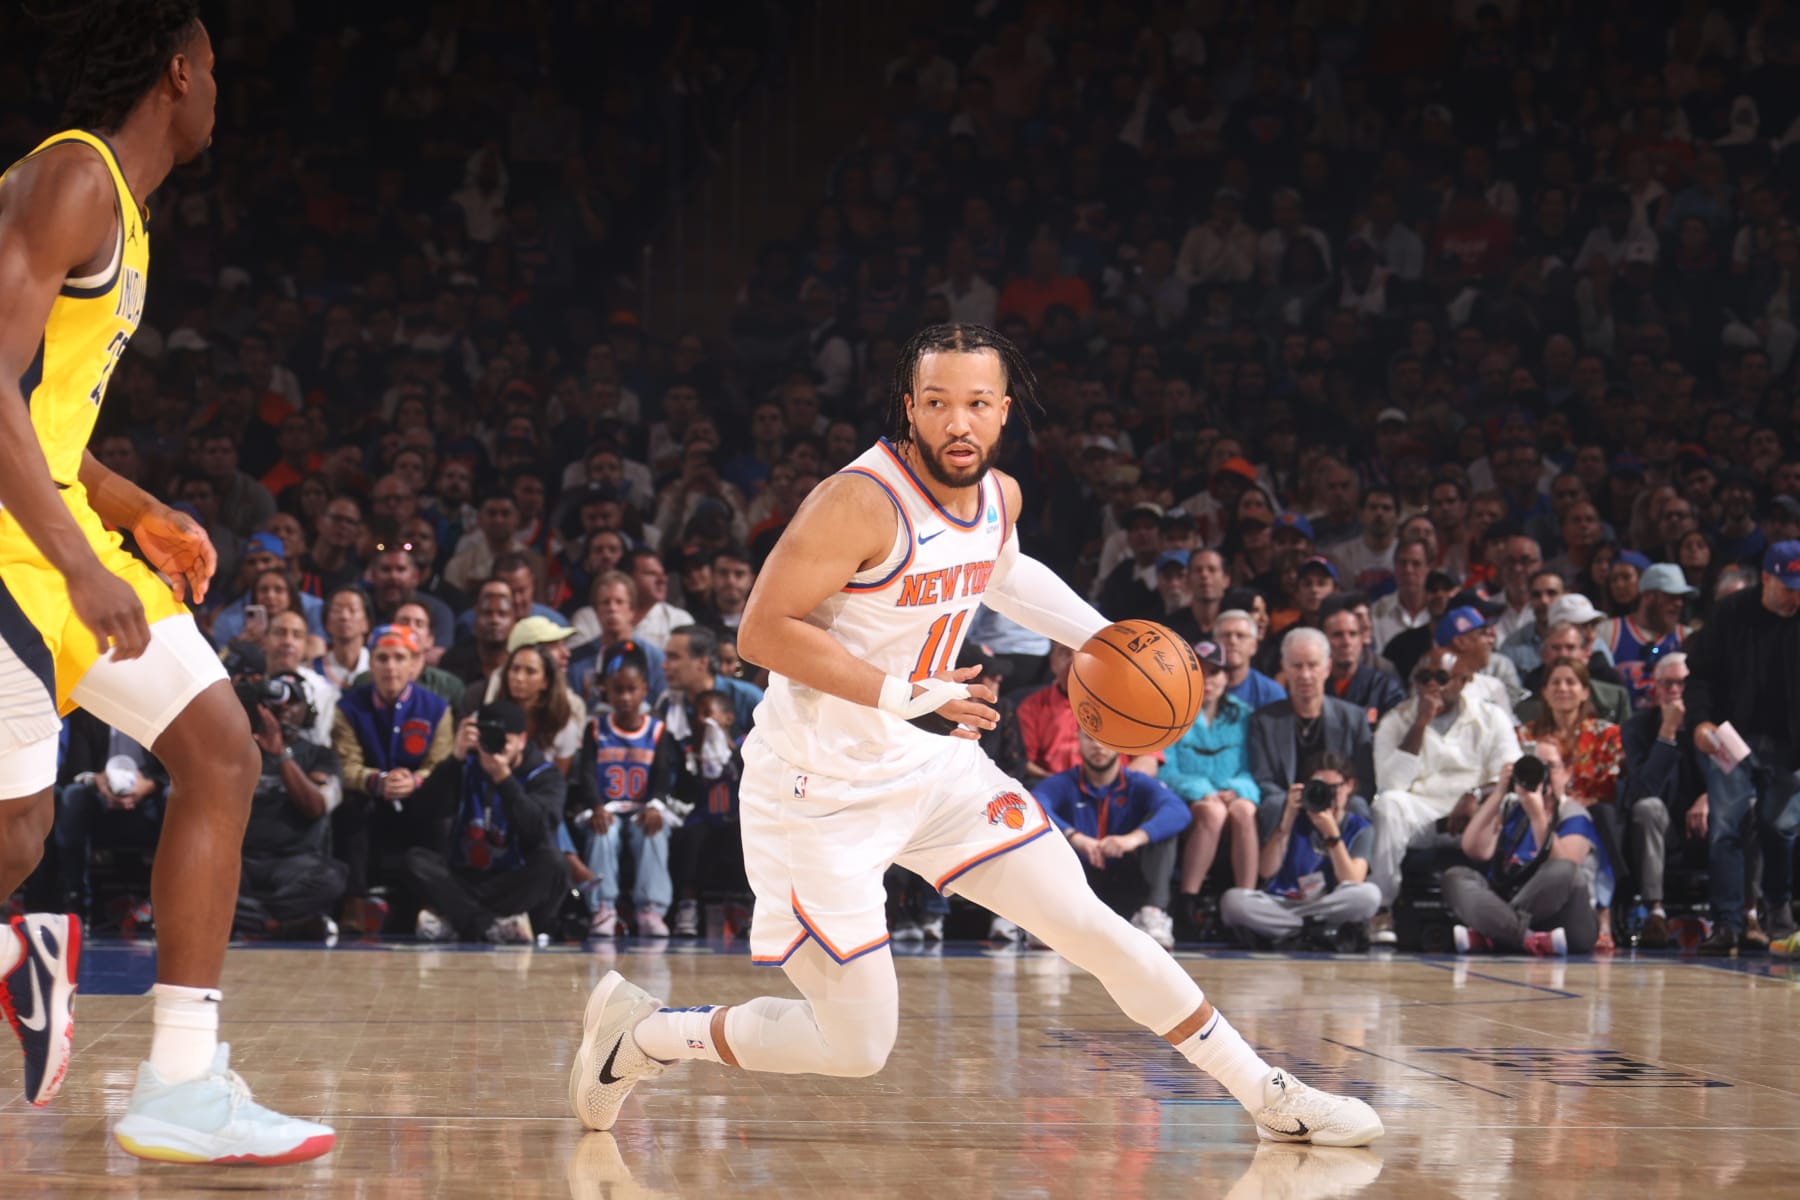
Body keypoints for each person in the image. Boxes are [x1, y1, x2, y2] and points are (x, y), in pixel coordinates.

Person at [567, 325, 1381, 1146]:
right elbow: (761, 632)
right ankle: (643, 1037)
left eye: (978, 404)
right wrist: (900, 694)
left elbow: (1001, 568)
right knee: (856, 1046)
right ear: (911, 410)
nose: (960, 423)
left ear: (1003, 412)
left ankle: (1267, 1095)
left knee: (1092, 926)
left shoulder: (1001, 498)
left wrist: (1108, 640)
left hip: (932, 767)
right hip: (818, 794)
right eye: (939, 403)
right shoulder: (858, 502)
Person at [0, 4, 332, 1162]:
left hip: (55, 534)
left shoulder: (124, 216)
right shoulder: (72, 176)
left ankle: (181, 1087)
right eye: (214, 72)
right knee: (15, 840)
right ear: (178, 72)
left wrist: (133, 511)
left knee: (223, 752)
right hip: (12, 554)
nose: (219, 94)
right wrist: (87, 557)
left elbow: (40, 415)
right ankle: (16, 949)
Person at [1688, 542, 1800, 955]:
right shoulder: (1731, 614)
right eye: (1789, 587)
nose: (1796, 596)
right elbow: (1699, 675)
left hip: (1791, 743)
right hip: (1733, 738)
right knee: (1726, 829)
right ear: (1767, 578)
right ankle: (1727, 924)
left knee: (1780, 827)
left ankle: (1778, 915)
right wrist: (1700, 721)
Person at [1369, 649, 1522, 942]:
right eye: (1423, 678)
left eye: (1441, 677)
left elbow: (1510, 774)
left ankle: (1510, 905)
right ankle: (1382, 910)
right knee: (1387, 806)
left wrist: (1475, 795)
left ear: (1464, 680)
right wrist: (1420, 723)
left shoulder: (1491, 717)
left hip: (1477, 814)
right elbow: (1390, 784)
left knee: (1514, 801)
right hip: (1424, 813)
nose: (1432, 685)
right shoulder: (1396, 719)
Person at [400, 700, 568, 943]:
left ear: (522, 740)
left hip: (512, 880)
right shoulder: (465, 765)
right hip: (464, 877)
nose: (495, 746)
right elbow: (424, 811)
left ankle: (458, 922)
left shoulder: (544, 775)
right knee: (415, 861)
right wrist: (454, 758)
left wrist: (504, 779)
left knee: (555, 864)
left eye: (504, 739)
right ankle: (491, 925)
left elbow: (540, 829)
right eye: (489, 736)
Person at [1034, 729, 1192, 950]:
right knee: (1036, 826)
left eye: (1105, 739)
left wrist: (1132, 839)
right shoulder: (1064, 782)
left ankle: (1152, 914)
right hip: (1078, 880)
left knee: (1162, 828)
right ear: (1077, 740)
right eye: (1089, 738)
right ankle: (1048, 916)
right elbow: (1033, 804)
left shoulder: (1137, 783)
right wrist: (1074, 836)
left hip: (1127, 882)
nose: (1098, 746)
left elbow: (1179, 811)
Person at [1442, 742, 1602, 956]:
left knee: (1564, 870)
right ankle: (1526, 937)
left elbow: (1565, 871)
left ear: (1567, 772)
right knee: (1455, 876)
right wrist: (1499, 792)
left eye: (1550, 766)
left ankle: (1494, 934)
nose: (1542, 773)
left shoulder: (1574, 813)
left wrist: (1537, 816)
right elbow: (1474, 849)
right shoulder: (1512, 808)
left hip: (1566, 922)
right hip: (1513, 903)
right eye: (1535, 765)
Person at [1219, 753, 1380, 951]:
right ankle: (1312, 932)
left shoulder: (1360, 827)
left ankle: (1292, 933)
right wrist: (1286, 823)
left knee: (1369, 895)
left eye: (1333, 788)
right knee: (1233, 901)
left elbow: (1352, 880)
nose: (1327, 795)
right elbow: (1266, 871)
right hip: (1285, 902)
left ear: (1350, 786)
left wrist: (1332, 836)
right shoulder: (1293, 816)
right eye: (1320, 787)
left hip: (1327, 905)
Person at [232, 669, 346, 942]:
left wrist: (280, 755)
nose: (282, 709)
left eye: (292, 701)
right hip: (241, 860)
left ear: (307, 710)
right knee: (196, 876)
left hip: (296, 863)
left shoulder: (322, 755)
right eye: (273, 701)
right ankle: (278, 926)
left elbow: (316, 806)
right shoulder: (235, 752)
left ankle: (249, 919)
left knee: (333, 877)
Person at [573, 649, 681, 937]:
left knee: (653, 832)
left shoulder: (658, 731)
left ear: (645, 690)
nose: (624, 697)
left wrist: (655, 804)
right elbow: (586, 773)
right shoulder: (595, 729)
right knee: (602, 833)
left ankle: (651, 909)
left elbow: (662, 776)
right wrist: (595, 805)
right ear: (605, 691)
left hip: (643, 807)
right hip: (606, 807)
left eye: (632, 690)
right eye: (617, 690)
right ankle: (603, 907)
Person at [1162, 641, 1259, 924]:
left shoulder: (1244, 716)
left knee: (1245, 809)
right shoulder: (1169, 712)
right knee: (1212, 811)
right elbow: (1165, 771)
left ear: (1227, 677)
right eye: (1199, 671)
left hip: (1233, 798)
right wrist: (1205, 792)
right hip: (1189, 801)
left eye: (1214, 672)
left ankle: (1247, 904)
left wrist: (1237, 790)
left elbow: (1254, 770)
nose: (1207, 680)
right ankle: (1187, 904)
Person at [1247, 628, 1375, 839]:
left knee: (1358, 806)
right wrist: (1292, 800)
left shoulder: (1353, 717)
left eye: (1313, 665)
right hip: (1287, 801)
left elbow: (1364, 779)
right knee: (1272, 805)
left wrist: (1338, 798)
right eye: (1297, 666)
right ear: (1284, 668)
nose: (1305, 675)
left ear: (1327, 668)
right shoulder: (1264, 720)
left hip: (1337, 800)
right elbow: (1263, 778)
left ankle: (1355, 870)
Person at [1619, 652, 1703, 950]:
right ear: (1655, 689)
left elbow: (1737, 773)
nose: (1676, 691)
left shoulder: (1710, 724)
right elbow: (1643, 790)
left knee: (1747, 805)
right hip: (1661, 832)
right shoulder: (1636, 728)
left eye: (1683, 683)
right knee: (1648, 807)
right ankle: (1655, 913)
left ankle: (1747, 915)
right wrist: (1667, 732)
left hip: (1712, 826)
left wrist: (1710, 797)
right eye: (1668, 684)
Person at [1605, 562, 1692, 706]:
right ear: (1647, 596)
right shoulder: (1610, 631)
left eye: (1681, 598)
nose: (1678, 604)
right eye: (1670, 596)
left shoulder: (1687, 637)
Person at [1215, 608, 1286, 710]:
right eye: (1226, 635)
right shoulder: (1198, 689)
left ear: (1254, 646)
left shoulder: (1271, 692)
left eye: (1240, 636)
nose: (1232, 641)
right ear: (1214, 643)